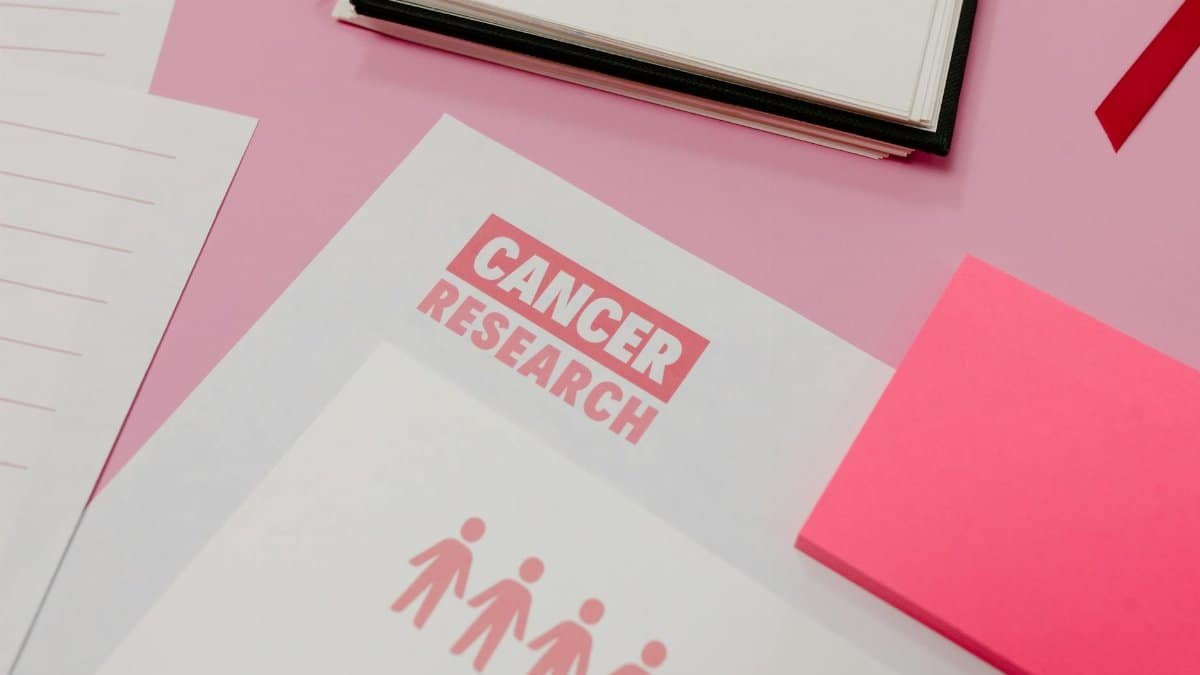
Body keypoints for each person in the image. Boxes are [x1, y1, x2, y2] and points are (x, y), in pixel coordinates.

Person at [451, 556, 544, 671]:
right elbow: (491, 593)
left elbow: (522, 615)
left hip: (498, 618)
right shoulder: (516, 588)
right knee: (482, 634)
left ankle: (473, 659)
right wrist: (474, 602)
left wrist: (474, 602)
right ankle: (466, 653)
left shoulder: (520, 591)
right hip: (494, 616)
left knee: (488, 637)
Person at [391, 517, 485, 628]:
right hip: (436, 574)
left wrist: (416, 561)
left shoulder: (460, 549)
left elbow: (463, 573)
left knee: (429, 596)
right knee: (426, 594)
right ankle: (412, 616)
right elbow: (432, 553)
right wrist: (459, 590)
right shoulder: (459, 549)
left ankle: (412, 616)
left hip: (441, 577)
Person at [527, 598, 605, 675]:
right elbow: (583, 662)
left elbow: (547, 637)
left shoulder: (570, 626)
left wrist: (531, 646)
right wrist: (531, 646)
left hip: (555, 658)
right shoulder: (584, 636)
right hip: (560, 661)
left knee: (538, 670)